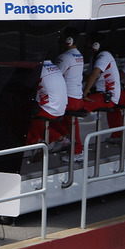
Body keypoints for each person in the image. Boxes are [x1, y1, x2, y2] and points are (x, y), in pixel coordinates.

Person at [54, 28, 86, 162]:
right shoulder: (79, 55)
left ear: (69, 40)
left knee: (44, 116)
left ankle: (70, 145)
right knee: (71, 123)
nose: (60, 41)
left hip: (68, 99)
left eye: (63, 38)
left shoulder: (64, 57)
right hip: (77, 98)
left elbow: (54, 77)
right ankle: (72, 146)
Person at [26, 60, 67, 160]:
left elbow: (27, 86)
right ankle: (59, 139)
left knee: (25, 116)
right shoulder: (54, 67)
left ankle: (37, 142)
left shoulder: (38, 69)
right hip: (62, 107)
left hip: (51, 109)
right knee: (33, 113)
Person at [82, 33, 121, 118]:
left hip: (108, 96)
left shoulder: (104, 55)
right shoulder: (95, 57)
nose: (86, 44)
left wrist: (84, 94)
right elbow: (87, 77)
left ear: (95, 45)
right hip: (100, 93)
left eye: (88, 42)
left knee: (79, 106)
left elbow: (94, 74)